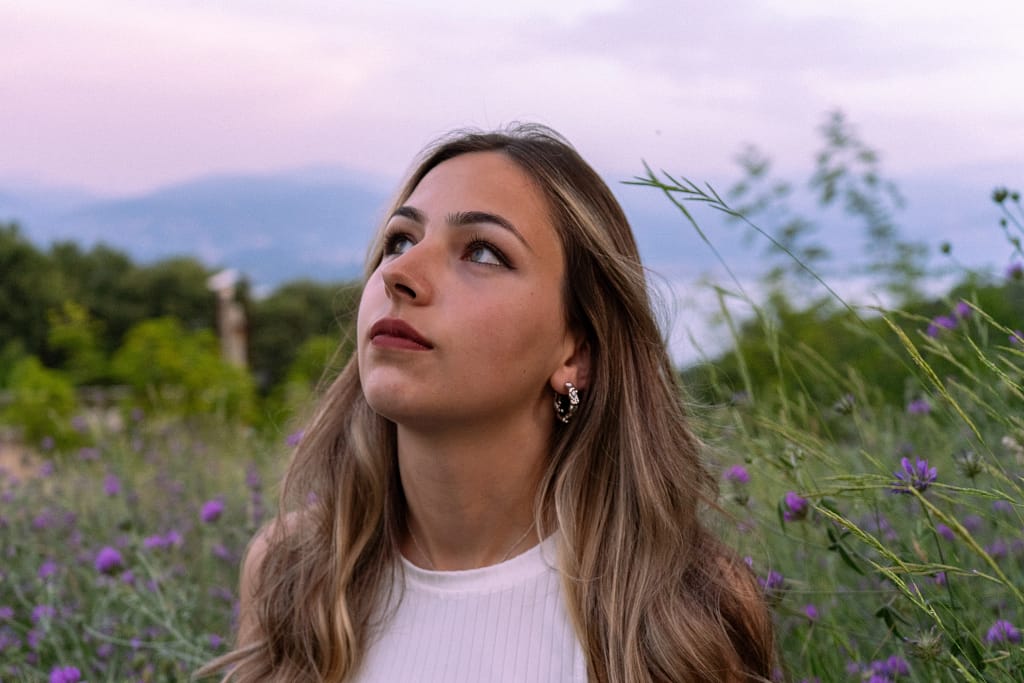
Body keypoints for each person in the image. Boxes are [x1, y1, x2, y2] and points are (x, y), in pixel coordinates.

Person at [199, 124, 775, 682]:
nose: (399, 272)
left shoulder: (684, 610)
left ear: (576, 353)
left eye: (482, 253)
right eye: (400, 240)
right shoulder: (293, 573)